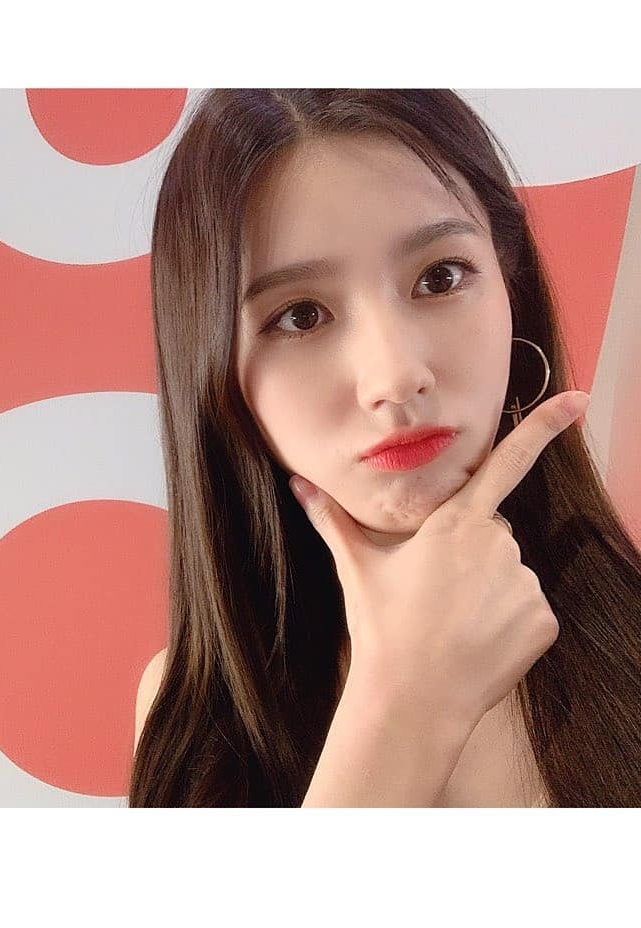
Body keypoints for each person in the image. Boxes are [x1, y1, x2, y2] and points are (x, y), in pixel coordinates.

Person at [128, 89, 641, 808]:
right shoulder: (194, 718)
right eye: (300, 316)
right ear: (215, 373)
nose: (395, 376)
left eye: (439, 277)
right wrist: (406, 704)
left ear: (510, 287)